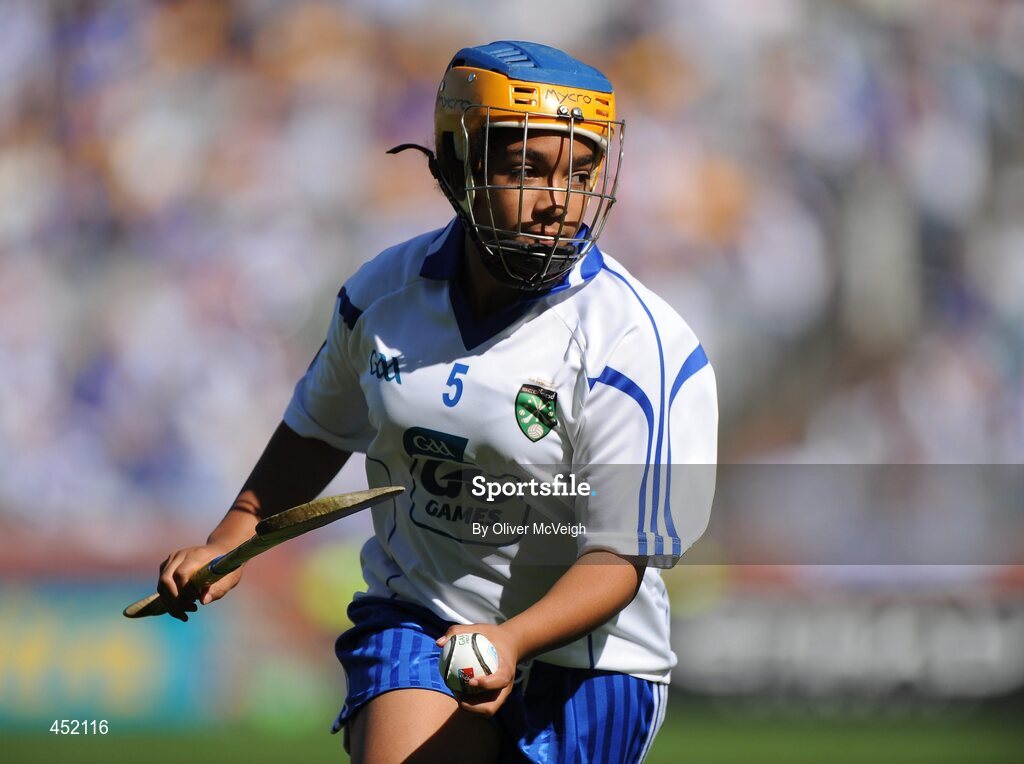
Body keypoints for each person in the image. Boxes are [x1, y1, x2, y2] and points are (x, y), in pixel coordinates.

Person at [156, 40, 718, 763]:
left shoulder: (640, 348)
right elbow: (320, 428)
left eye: (582, 173)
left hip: (590, 664)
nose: (561, 202)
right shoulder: (380, 297)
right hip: (420, 621)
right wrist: (236, 533)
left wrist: (509, 640)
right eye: (528, 169)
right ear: (457, 168)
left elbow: (618, 558)